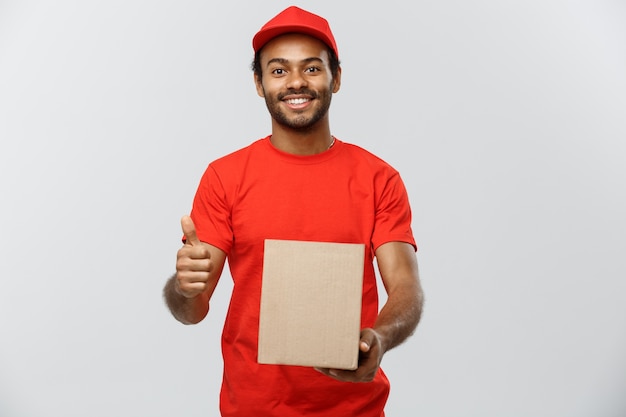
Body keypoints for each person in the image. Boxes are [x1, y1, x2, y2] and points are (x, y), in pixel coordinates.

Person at [163, 5, 424, 417]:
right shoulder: (225, 177)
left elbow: (406, 287)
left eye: (312, 68)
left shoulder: (379, 179)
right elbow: (191, 311)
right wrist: (183, 286)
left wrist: (380, 337)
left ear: (336, 78)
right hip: (252, 408)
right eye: (279, 70)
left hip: (355, 408)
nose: (296, 82)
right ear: (258, 82)